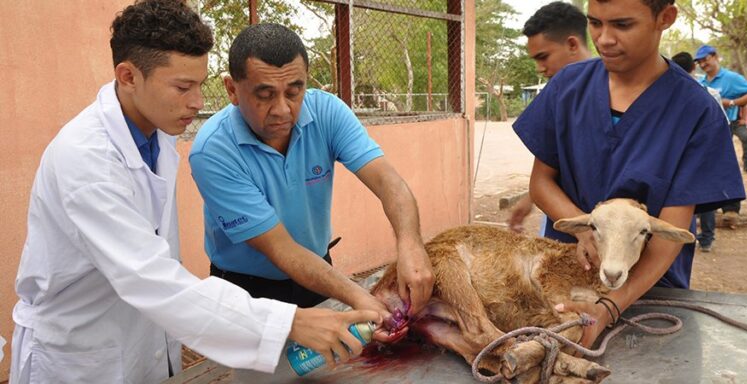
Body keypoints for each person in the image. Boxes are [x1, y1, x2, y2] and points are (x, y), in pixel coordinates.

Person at [10, 2, 379, 383]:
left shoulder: (155, 135)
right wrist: (290, 321)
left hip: (142, 338)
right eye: (182, 87)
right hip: (84, 354)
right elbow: (151, 279)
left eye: (199, 85)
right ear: (128, 76)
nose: (198, 102)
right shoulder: (87, 161)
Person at [513, 0, 745, 349]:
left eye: (622, 25)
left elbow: (671, 232)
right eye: (595, 23)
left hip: (649, 290)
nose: (605, 39)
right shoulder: (567, 89)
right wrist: (586, 233)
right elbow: (541, 182)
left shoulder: (695, 110)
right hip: (570, 275)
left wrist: (610, 306)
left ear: (664, 18)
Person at [189, 24, 434, 322]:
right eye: (264, 95)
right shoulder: (213, 150)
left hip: (319, 274)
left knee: (331, 367)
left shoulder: (327, 112)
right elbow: (281, 249)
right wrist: (359, 297)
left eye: (294, 91)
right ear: (232, 90)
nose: (282, 109)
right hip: (247, 290)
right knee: (257, 369)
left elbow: (387, 180)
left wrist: (410, 244)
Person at [507, 1, 593, 232]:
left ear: (573, 44)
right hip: (565, 225)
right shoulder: (559, 97)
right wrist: (531, 198)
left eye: (543, 57)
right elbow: (552, 169)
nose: (540, 68)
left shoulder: (616, 91)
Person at [695, 44, 747, 231]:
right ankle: (705, 206)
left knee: (727, 164)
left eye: (705, 59)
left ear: (715, 56)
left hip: (728, 125)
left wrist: (732, 102)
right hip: (708, 128)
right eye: (699, 61)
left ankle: (731, 208)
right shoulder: (702, 82)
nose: (703, 64)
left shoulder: (731, 78)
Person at [671, 51, 726, 252]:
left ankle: (691, 238)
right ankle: (706, 238)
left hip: (679, 156)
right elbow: (722, 126)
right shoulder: (709, 94)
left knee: (684, 199)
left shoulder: (667, 96)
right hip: (704, 153)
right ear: (693, 68)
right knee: (702, 199)